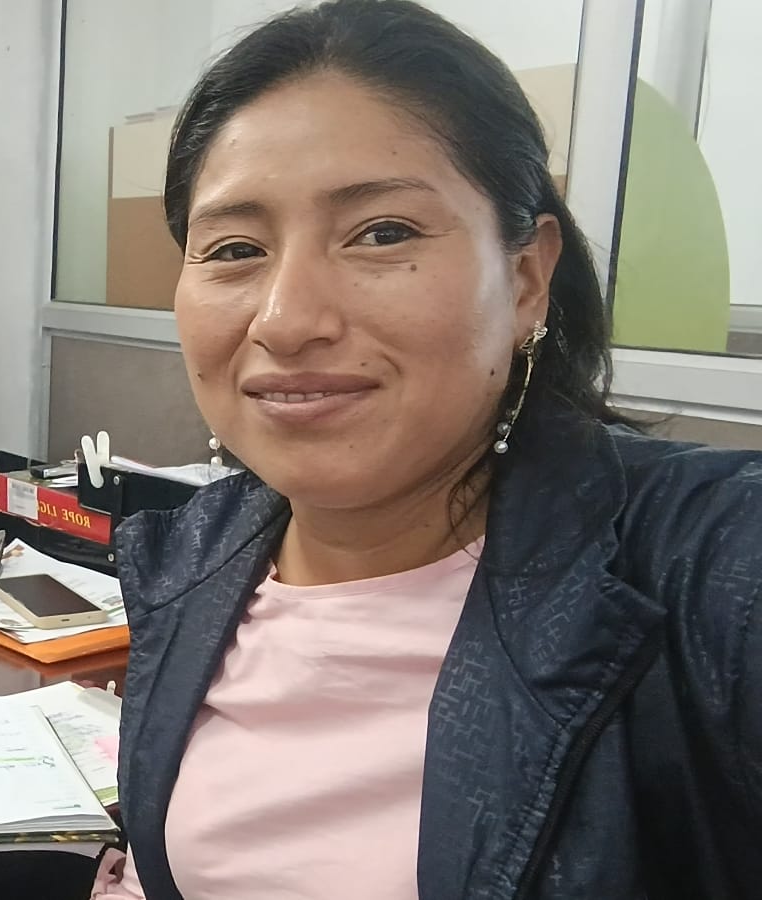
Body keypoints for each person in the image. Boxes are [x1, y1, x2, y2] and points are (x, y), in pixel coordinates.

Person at [93, 2, 762, 898]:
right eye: (236, 248)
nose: (287, 320)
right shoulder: (195, 556)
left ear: (526, 278)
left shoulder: (703, 563)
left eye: (383, 233)